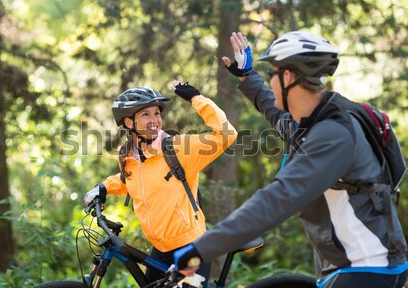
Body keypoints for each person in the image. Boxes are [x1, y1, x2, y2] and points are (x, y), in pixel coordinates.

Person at [173, 31, 408, 288]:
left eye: (272, 73)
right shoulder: (314, 122)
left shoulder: (333, 133)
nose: (270, 80)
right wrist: (247, 76)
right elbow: (275, 112)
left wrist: (199, 249)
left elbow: (278, 199)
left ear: (288, 77)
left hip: (367, 269)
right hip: (357, 267)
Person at [84, 81, 238, 286]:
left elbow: (228, 135)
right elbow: (129, 179)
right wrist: (103, 187)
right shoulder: (128, 157)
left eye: (157, 113)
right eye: (146, 114)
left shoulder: (179, 149)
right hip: (161, 249)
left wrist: (196, 99)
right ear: (129, 122)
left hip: (192, 247)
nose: (155, 120)